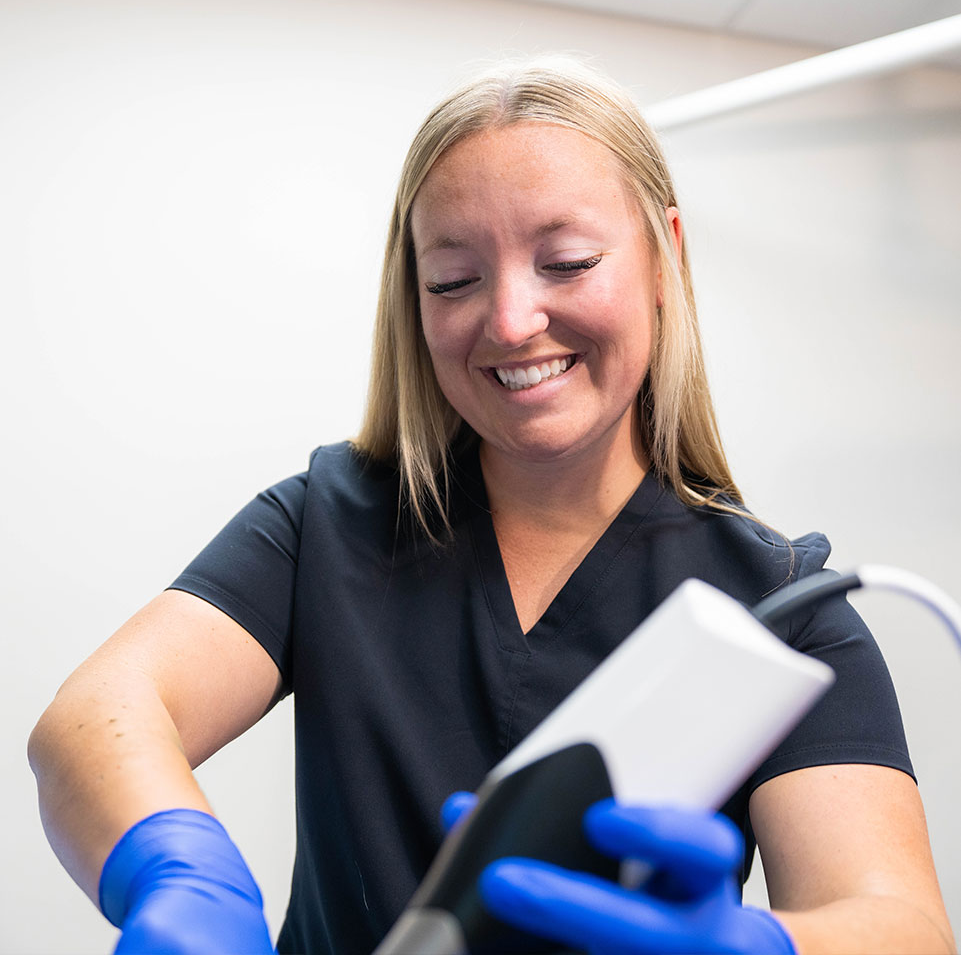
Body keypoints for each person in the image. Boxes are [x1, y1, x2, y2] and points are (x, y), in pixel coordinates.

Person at [29, 56, 954, 955]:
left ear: (666, 255)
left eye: (568, 260)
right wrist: (183, 874)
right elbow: (99, 713)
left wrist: (759, 945)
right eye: (453, 279)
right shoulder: (328, 524)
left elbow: (899, 925)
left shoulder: (784, 609)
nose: (510, 321)